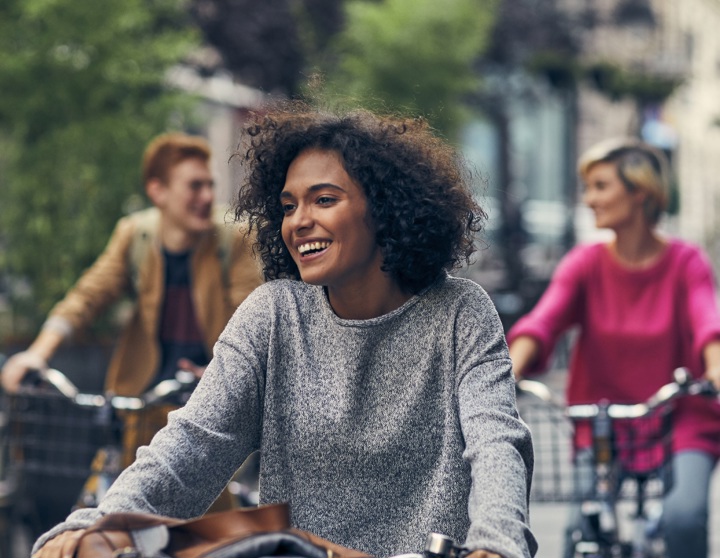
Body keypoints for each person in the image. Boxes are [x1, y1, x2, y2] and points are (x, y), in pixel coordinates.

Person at [31, 105, 538, 558]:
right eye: (289, 205)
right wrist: (93, 526)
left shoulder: (460, 312)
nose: (298, 221)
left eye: (323, 200)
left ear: (384, 208)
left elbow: (497, 443)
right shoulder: (274, 315)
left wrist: (496, 545)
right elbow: (189, 447)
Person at [1, 132, 263, 531]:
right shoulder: (136, 235)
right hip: (141, 397)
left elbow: (250, 317)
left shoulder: (232, 239)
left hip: (205, 396)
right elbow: (88, 296)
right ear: (158, 191)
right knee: (118, 511)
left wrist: (221, 372)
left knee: (207, 521)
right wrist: (39, 352)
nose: (207, 195)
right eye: (194, 185)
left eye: (209, 184)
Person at [507, 137, 720, 558]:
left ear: (639, 192)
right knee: (579, 529)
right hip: (603, 420)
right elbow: (544, 320)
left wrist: (715, 367)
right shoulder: (584, 263)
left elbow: (706, 321)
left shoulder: (685, 262)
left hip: (680, 415)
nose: (589, 200)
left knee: (684, 517)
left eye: (601, 186)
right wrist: (511, 370)